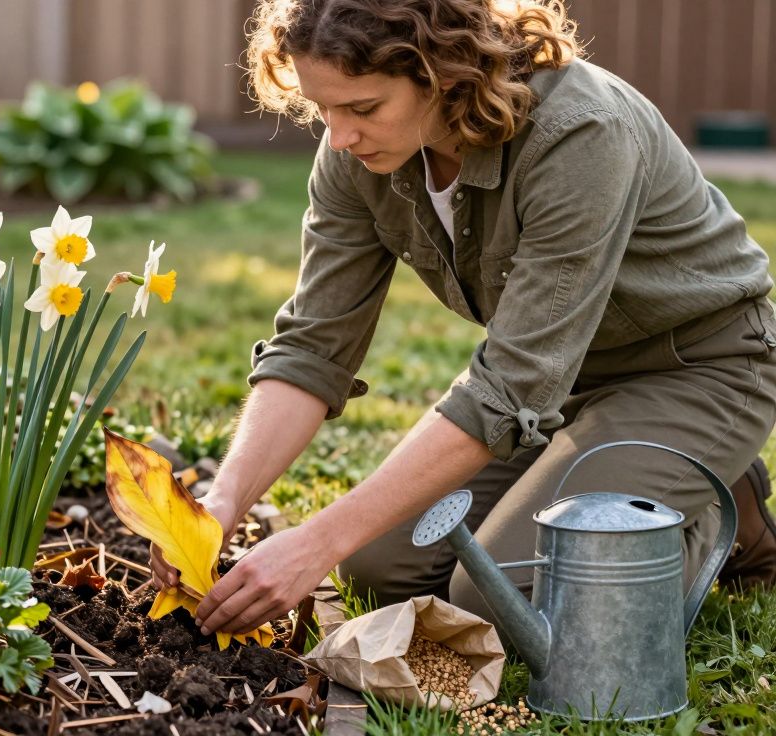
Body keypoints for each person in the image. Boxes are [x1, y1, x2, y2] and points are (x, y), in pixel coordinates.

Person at [154, 0, 776, 638]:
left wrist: (315, 542)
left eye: (363, 109)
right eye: (324, 109)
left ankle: (709, 507)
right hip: (561, 386)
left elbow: (510, 388)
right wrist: (221, 502)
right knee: (376, 570)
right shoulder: (357, 154)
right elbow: (314, 346)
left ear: (444, 73)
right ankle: (637, 475)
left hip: (702, 370)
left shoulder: (581, 131)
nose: (338, 137)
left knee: (511, 604)